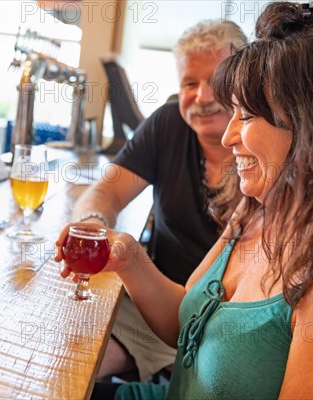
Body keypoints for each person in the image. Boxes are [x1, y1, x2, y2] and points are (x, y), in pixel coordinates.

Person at [56, 2, 313, 398]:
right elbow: (185, 325)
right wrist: (129, 258)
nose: (229, 137)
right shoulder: (261, 206)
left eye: (245, 116)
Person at [69, 20, 246, 381]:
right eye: (189, 83)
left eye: (216, 82)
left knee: (79, 363)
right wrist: (93, 225)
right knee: (66, 339)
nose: (202, 96)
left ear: (245, 84)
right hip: (155, 307)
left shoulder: (262, 155)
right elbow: (106, 192)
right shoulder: (169, 124)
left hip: (221, 325)